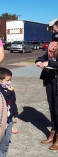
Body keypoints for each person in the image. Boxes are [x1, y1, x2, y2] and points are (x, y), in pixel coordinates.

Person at [35, 20, 58, 150]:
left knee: (57, 109)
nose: (54, 34)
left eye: (56, 31)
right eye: (53, 31)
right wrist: (40, 60)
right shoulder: (52, 44)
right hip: (49, 77)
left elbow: (54, 62)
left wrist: (50, 64)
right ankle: (53, 132)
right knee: (51, 107)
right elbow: (45, 57)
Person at [0, 67, 19, 157]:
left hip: (9, 120)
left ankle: (2, 155)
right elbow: (4, 100)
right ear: (0, 81)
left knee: (5, 141)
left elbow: (13, 102)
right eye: (8, 80)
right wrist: (9, 92)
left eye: (10, 80)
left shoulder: (10, 90)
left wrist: (16, 115)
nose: (10, 82)